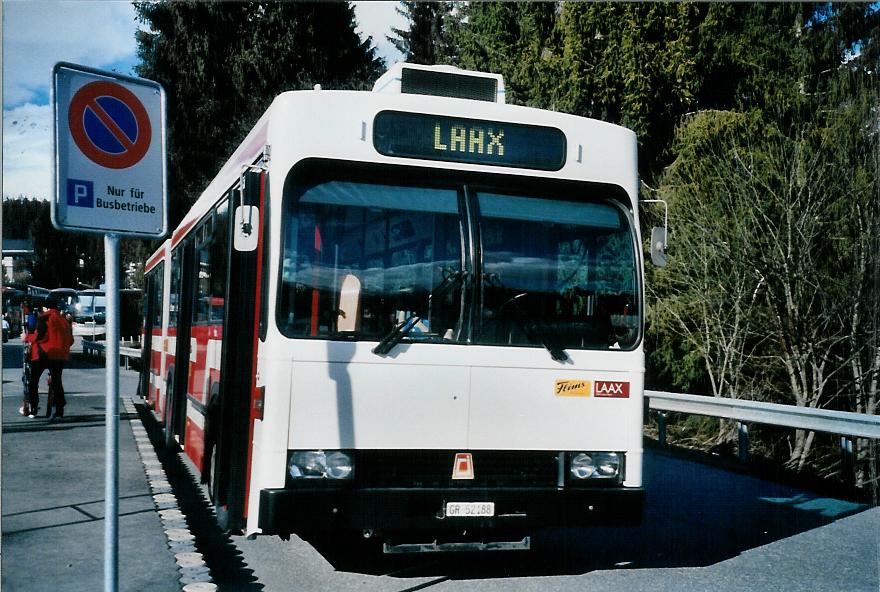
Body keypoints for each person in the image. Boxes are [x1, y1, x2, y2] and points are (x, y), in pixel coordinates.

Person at [22, 296, 74, 420]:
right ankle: (59, 410)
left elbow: (40, 336)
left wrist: (27, 337)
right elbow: (70, 340)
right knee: (57, 382)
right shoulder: (64, 321)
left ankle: (33, 407)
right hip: (60, 356)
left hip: (43, 353)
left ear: (46, 307)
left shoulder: (45, 318)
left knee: (33, 381)